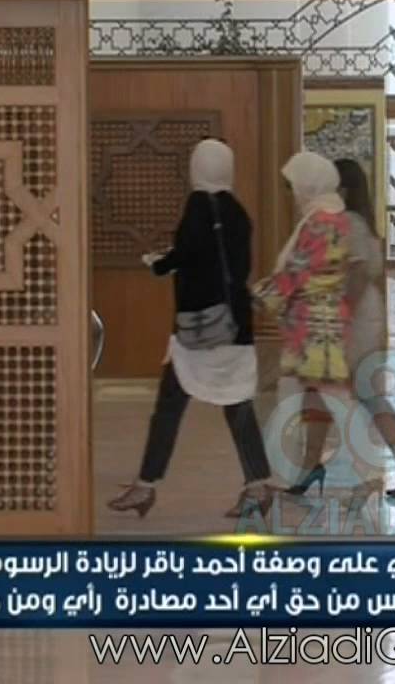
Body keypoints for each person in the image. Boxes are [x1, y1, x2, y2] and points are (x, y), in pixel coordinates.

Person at [108, 139, 274, 520]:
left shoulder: (199, 206)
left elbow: (188, 254)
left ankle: (145, 486)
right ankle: (258, 487)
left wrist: (160, 264)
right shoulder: (238, 213)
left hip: (199, 329)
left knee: (169, 406)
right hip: (234, 324)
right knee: (237, 404)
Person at [288, 158, 395, 498]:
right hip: (349, 317)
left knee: (364, 395)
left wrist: (340, 316)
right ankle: (311, 464)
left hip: (354, 321)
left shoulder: (350, 224)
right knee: (319, 392)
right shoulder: (354, 222)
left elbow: (358, 275)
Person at [255, 152, 356, 493]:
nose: (293, 193)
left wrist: (256, 298)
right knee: (323, 399)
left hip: (310, 328)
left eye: (295, 185)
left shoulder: (318, 223)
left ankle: (283, 474)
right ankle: (316, 468)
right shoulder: (337, 218)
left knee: (291, 399)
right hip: (328, 323)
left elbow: (295, 272)